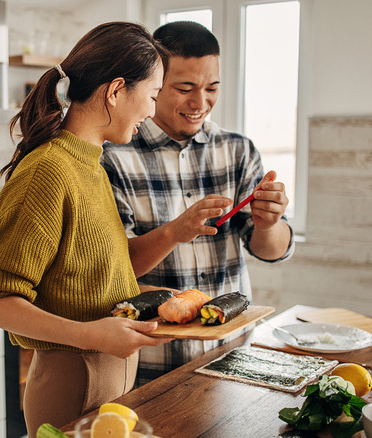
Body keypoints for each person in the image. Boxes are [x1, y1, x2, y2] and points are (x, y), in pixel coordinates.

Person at [0, 22, 172, 435]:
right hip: (71, 383)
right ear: (115, 92)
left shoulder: (90, 165)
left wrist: (155, 299)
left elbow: (83, 277)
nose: (151, 112)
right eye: (151, 96)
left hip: (109, 381)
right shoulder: (48, 171)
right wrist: (90, 335)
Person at [101, 21, 295, 386]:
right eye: (185, 88)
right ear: (154, 83)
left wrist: (270, 223)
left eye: (212, 88)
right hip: (150, 363)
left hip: (234, 356)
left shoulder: (238, 150)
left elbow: (270, 252)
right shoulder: (115, 157)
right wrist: (175, 232)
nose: (200, 103)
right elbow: (117, 269)